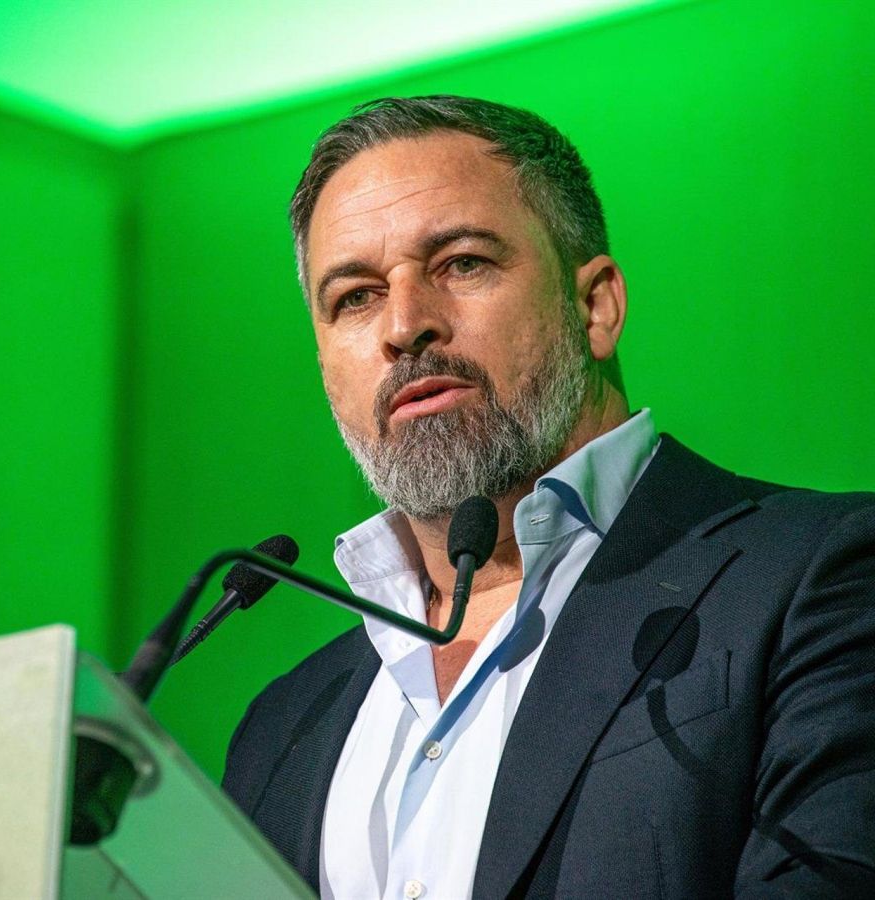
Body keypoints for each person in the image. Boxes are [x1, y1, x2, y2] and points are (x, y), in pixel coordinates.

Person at [221, 96, 875, 899]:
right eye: (355, 296)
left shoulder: (821, 576)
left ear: (594, 305)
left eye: (462, 263)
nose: (404, 325)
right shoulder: (279, 729)